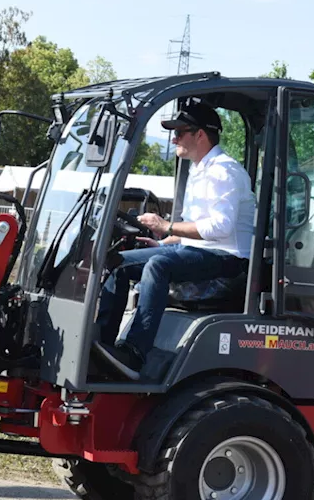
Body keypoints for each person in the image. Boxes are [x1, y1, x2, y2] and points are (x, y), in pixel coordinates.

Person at [92, 102, 256, 380]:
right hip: (199, 251)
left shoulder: (223, 171)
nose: (174, 139)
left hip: (229, 259)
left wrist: (166, 225)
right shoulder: (200, 169)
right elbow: (193, 226)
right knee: (117, 261)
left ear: (200, 135)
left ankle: (135, 353)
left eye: (180, 132)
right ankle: (106, 348)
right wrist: (166, 240)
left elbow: (220, 227)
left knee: (157, 266)